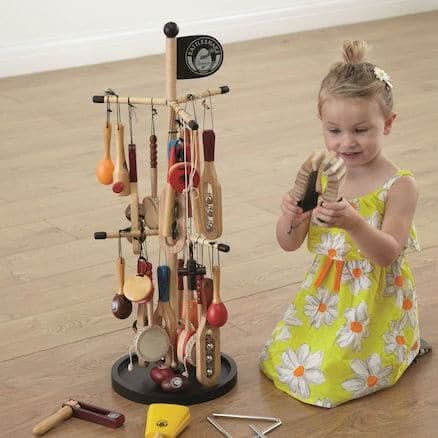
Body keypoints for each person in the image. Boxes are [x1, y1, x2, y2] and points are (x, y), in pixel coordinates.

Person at [259, 40, 426, 408]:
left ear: (388, 123)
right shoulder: (320, 175)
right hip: (325, 296)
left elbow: (386, 254)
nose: (346, 142)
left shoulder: (399, 186)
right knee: (284, 360)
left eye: (361, 130)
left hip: (374, 302)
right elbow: (288, 243)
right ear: (322, 124)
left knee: (332, 376)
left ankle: (402, 346)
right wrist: (291, 215)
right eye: (334, 131)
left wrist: (353, 222)